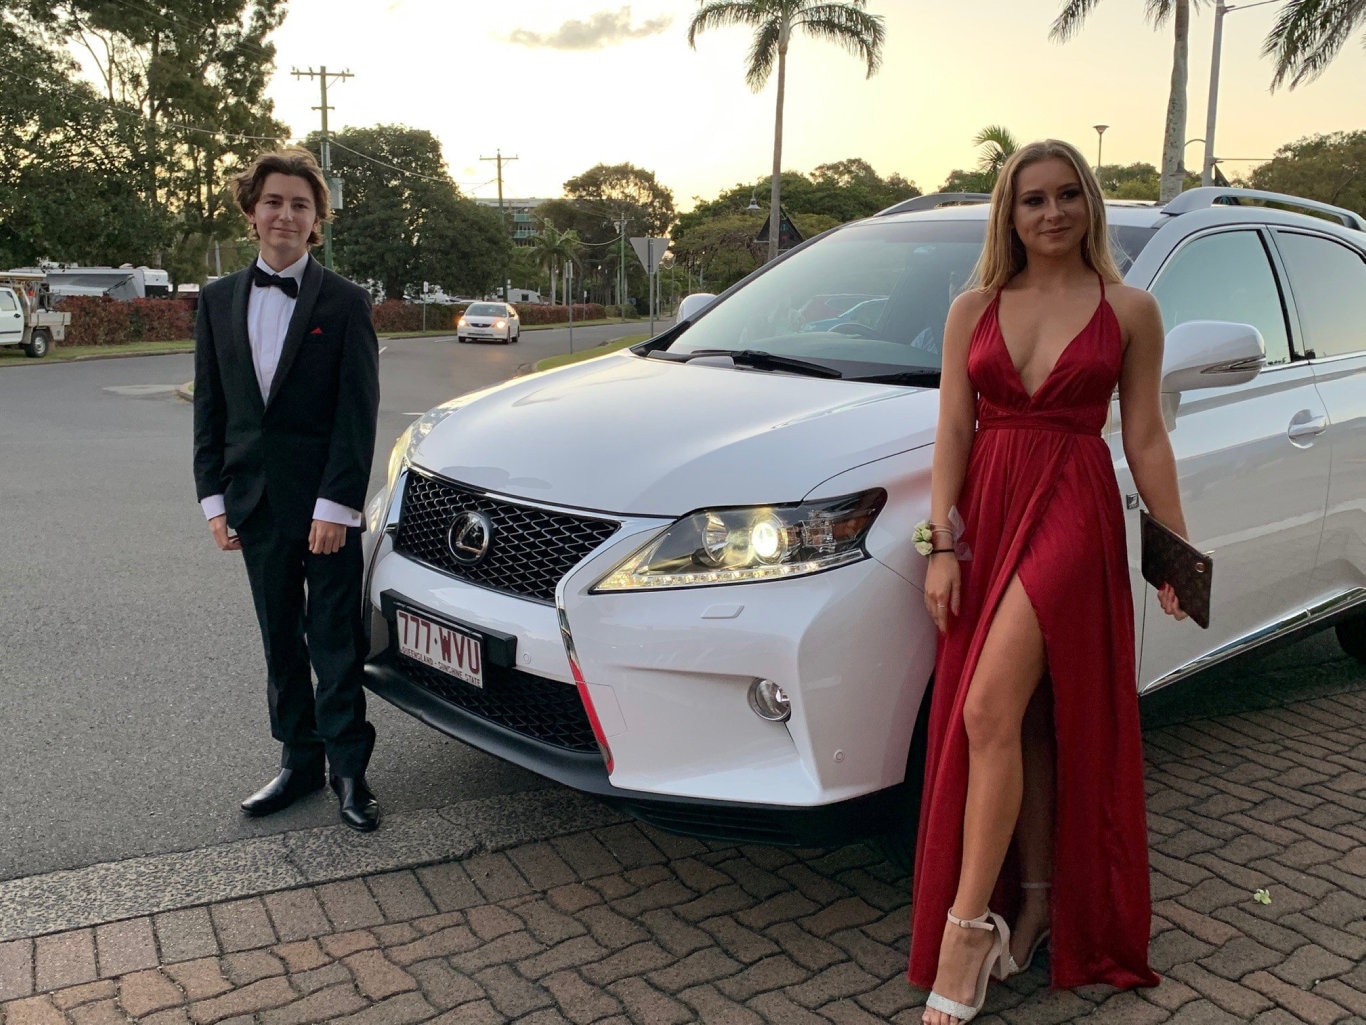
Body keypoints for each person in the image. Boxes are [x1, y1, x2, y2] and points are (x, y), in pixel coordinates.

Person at [907, 139, 1190, 1024]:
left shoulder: (1131, 309)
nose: (1053, 212)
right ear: (1011, 213)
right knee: (1022, 723)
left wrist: (1176, 547)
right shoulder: (973, 308)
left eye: (1069, 195)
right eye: (1033, 199)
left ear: (1092, 204)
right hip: (988, 506)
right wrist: (941, 542)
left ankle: (964, 931)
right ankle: (1029, 908)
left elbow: (1143, 436)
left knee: (984, 709)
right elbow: (954, 430)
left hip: (1072, 502)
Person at [192, 148, 382, 832]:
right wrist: (214, 500)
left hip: (325, 509)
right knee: (280, 639)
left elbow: (356, 417)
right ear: (252, 212)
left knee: (333, 638)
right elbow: (211, 410)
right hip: (256, 504)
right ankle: (297, 762)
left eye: (300, 204)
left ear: (316, 223)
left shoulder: (346, 302)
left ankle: (349, 770)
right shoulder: (216, 301)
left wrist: (336, 506)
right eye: (273, 200)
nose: (285, 214)